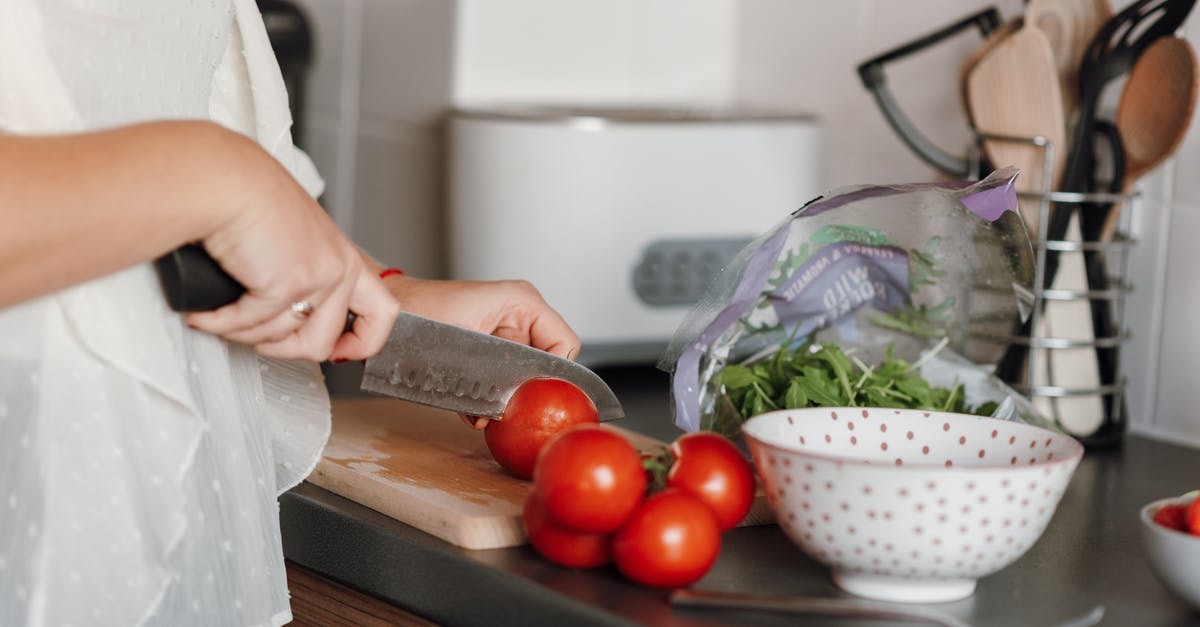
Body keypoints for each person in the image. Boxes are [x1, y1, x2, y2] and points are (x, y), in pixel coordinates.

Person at [0, 1, 580, 625]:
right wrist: (220, 175)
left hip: (154, 480)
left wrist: (377, 290)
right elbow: (196, 176)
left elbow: (121, 110)